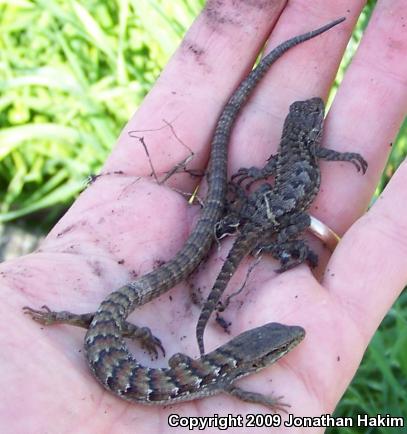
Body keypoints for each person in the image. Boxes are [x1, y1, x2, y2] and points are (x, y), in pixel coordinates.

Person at [1, 2, 406, 432]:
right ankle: (76, 321)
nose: (283, 350)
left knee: (110, 319)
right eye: (278, 352)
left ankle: (77, 320)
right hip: (107, 345)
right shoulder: (224, 375)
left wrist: (129, 333)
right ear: (258, 359)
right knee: (112, 319)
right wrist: (266, 401)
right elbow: (230, 386)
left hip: (108, 342)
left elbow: (187, 366)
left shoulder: (217, 371)